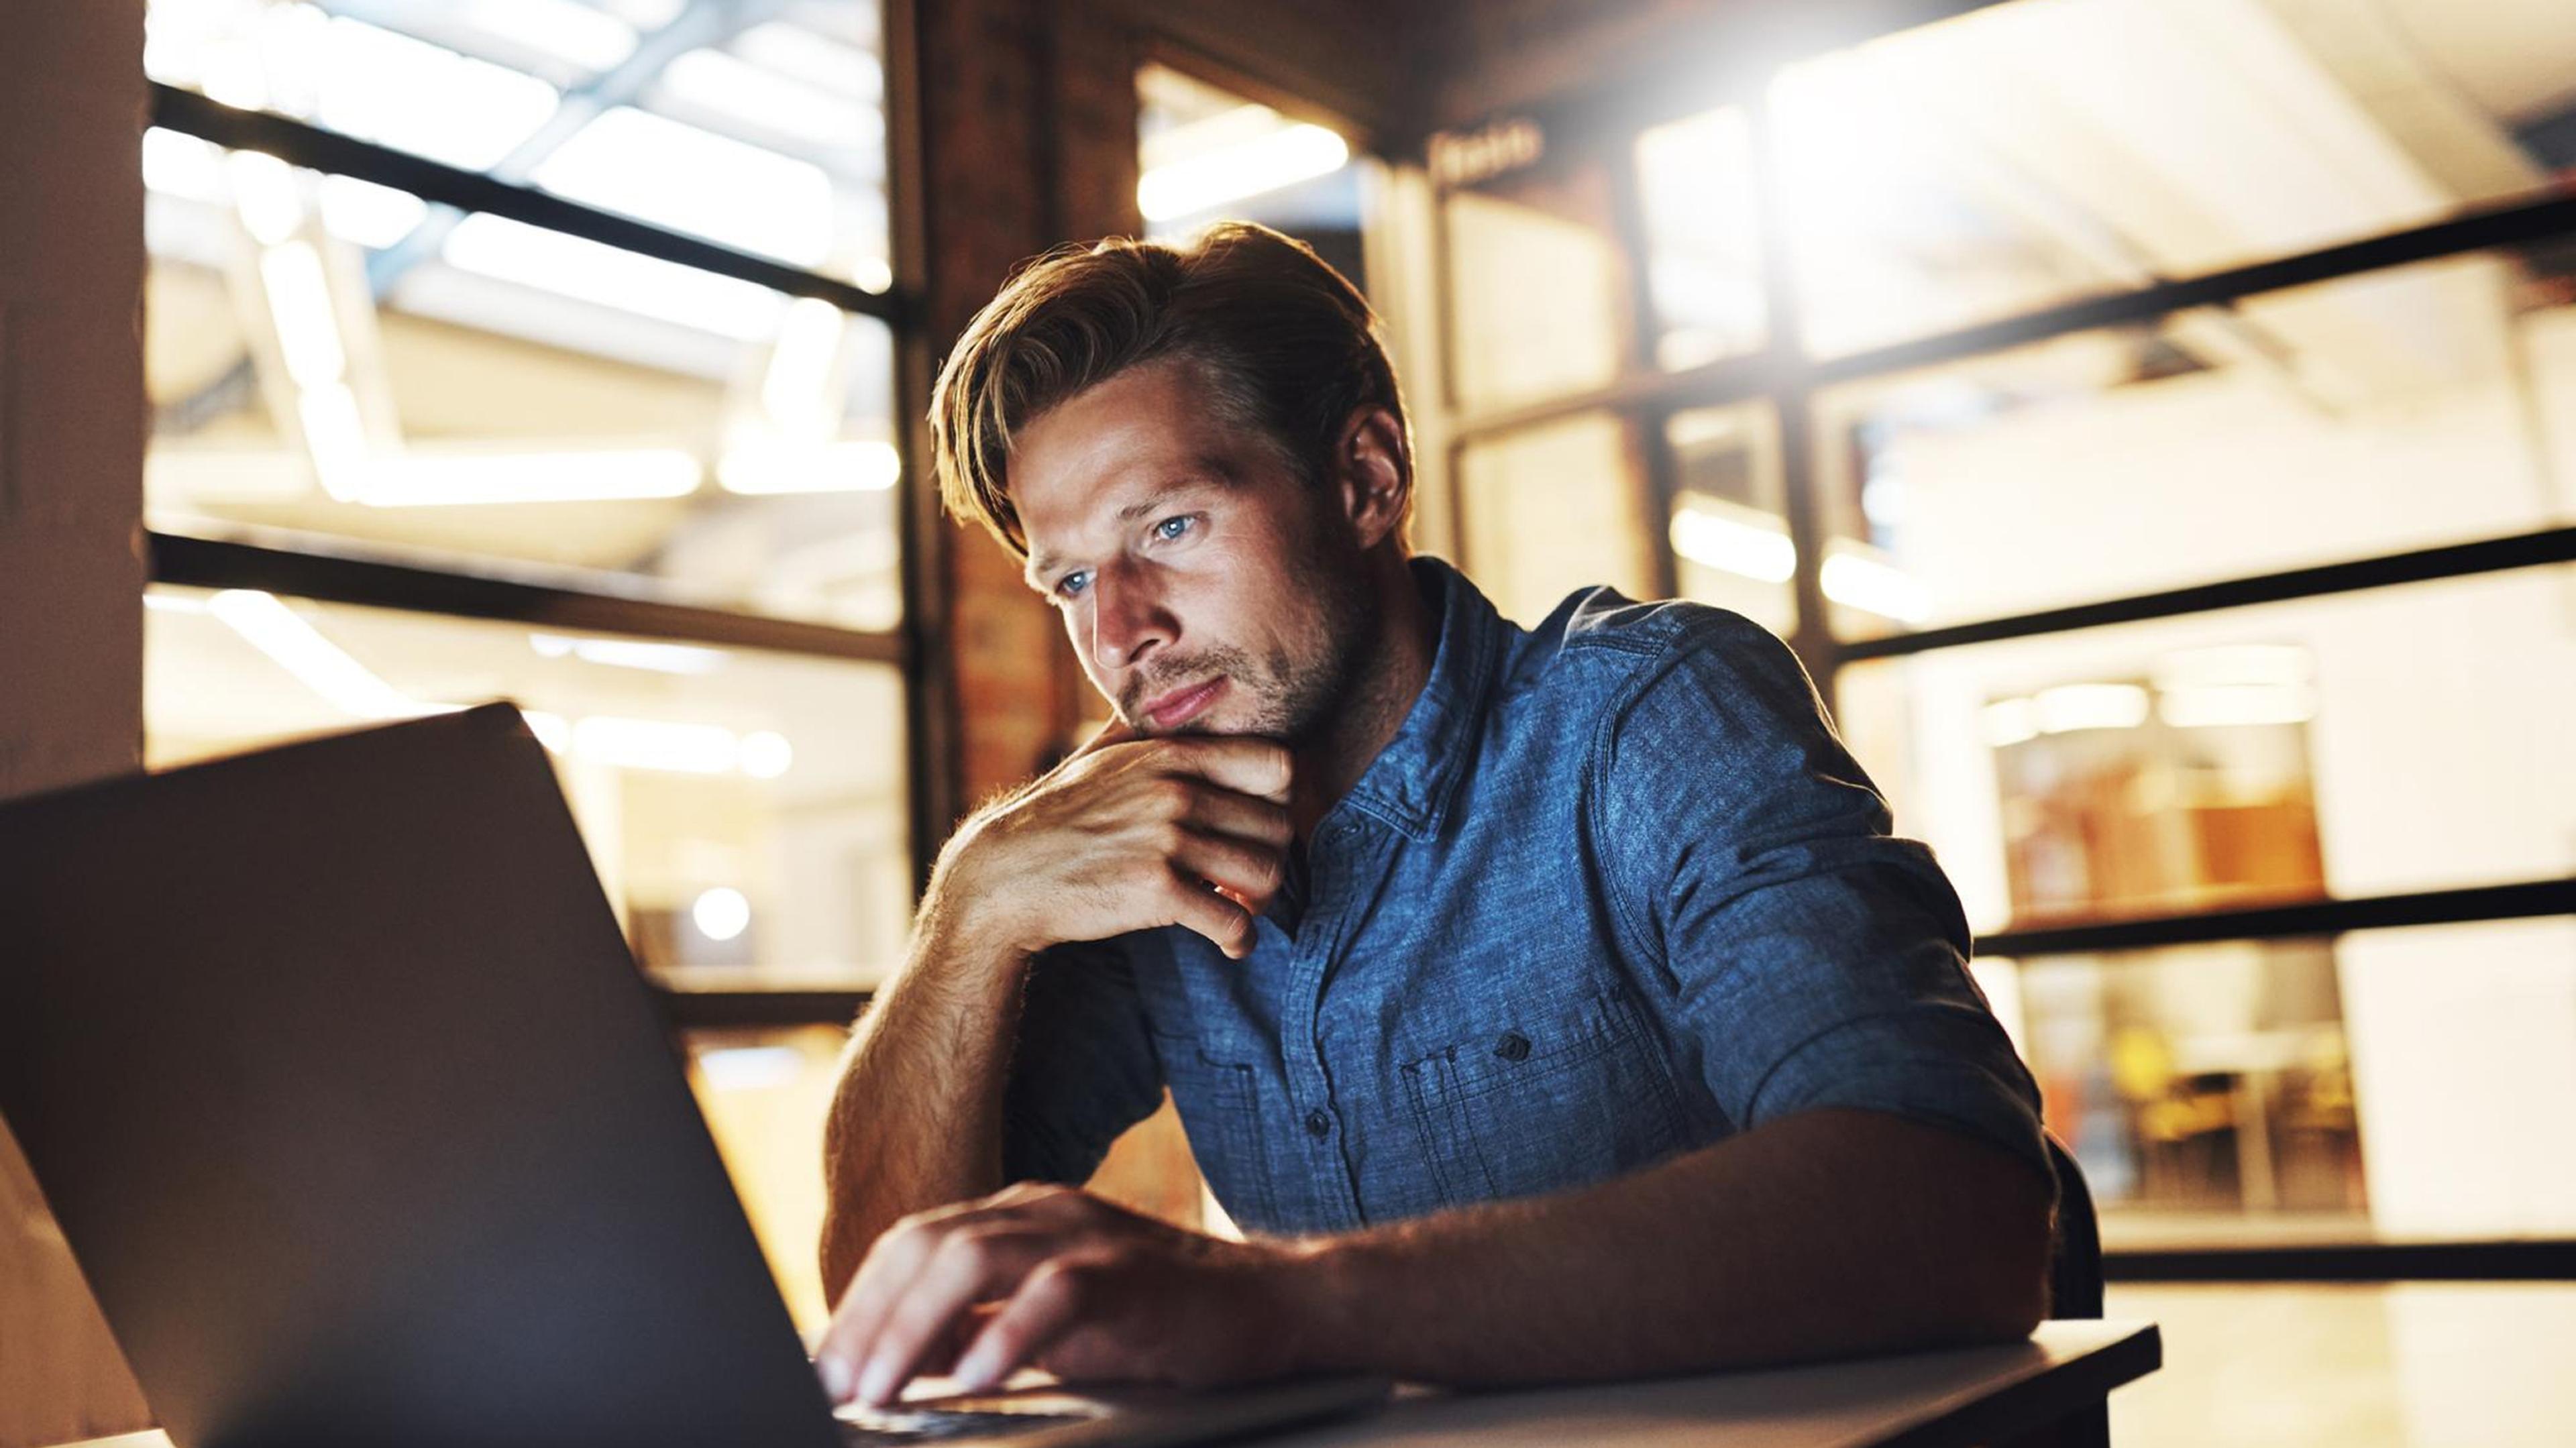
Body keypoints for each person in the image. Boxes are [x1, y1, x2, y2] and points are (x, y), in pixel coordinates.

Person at [811, 222, 2055, 1409]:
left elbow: (1961, 1209)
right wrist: (969, 912)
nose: (1121, 632)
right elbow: (886, 1300)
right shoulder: (1129, 836)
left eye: (1172, 527)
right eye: (1072, 579)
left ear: (1365, 479)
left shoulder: (1644, 720)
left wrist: (1276, 1307)